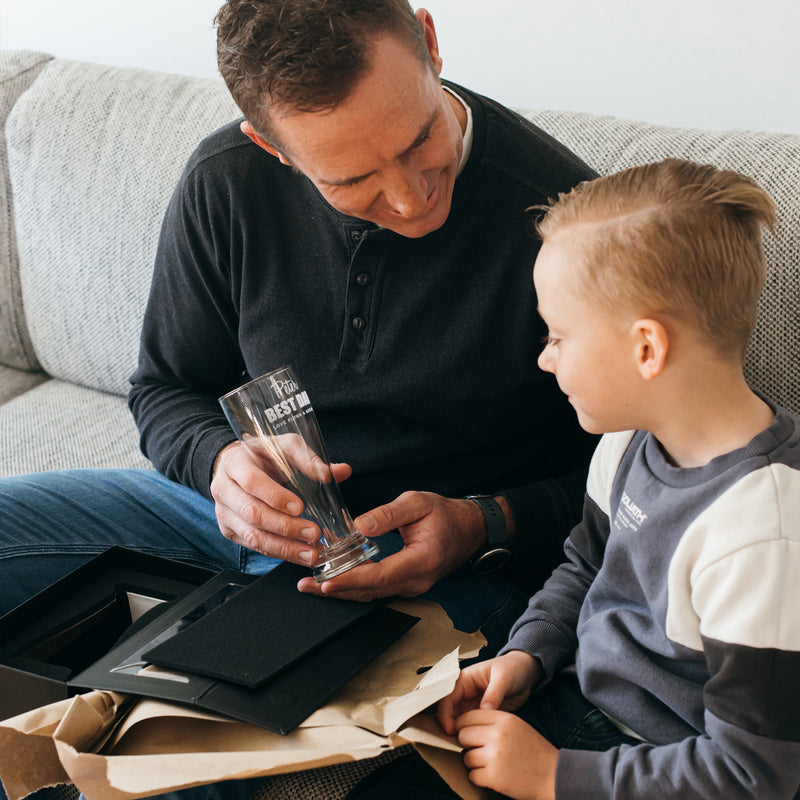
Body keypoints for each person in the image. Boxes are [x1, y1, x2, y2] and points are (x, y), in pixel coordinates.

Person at [0, 0, 597, 651]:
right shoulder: (227, 181)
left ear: (429, 41)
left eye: (419, 137)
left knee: (212, 713)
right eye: (353, 179)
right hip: (224, 524)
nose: (408, 197)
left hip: (437, 570)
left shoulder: (573, 221)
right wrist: (219, 462)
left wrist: (488, 524)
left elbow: (651, 472)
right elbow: (165, 389)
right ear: (269, 146)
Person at [436, 158, 800, 800]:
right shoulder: (628, 437)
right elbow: (586, 565)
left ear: (646, 349)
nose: (544, 359)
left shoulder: (761, 534)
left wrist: (554, 776)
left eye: (557, 335)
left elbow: (755, 776)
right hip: (575, 705)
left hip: (666, 766)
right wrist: (529, 655)